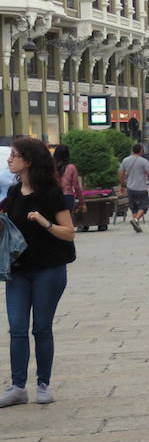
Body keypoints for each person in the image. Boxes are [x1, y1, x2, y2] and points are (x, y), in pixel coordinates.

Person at [0, 137, 76, 407]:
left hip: (49, 270)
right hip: (18, 271)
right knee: (17, 329)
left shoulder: (51, 193)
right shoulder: (11, 193)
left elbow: (69, 233)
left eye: (14, 155)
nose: (10, 159)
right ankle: (18, 386)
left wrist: (45, 223)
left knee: (41, 329)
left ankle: (43, 383)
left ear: (28, 160)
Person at [118, 142, 149, 232]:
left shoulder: (125, 160)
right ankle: (136, 220)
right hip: (141, 187)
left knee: (133, 207)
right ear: (141, 150)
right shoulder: (144, 161)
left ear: (132, 150)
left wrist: (122, 185)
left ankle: (136, 223)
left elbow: (121, 173)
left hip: (130, 188)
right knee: (144, 205)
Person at [53, 145, 84, 224]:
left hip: (55, 197)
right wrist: (81, 202)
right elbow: (76, 186)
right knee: (66, 222)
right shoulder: (71, 168)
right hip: (68, 197)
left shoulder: (52, 168)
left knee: (56, 222)